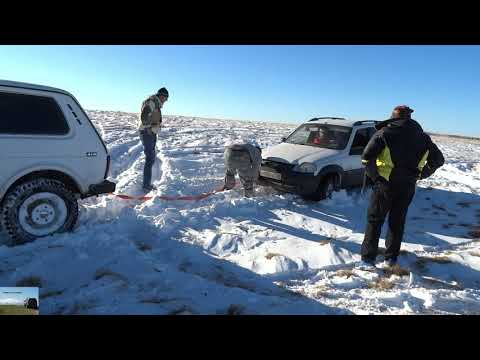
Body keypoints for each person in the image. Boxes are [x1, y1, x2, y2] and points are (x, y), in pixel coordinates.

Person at [359, 105, 445, 269]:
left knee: (375, 221)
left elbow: (366, 158)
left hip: (384, 185)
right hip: (407, 186)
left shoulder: (384, 133)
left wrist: (376, 177)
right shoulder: (423, 137)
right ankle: (391, 258)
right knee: (397, 221)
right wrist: (421, 174)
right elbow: (438, 160)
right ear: (410, 119)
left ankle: (367, 260)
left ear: (393, 118)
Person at [138, 87, 169, 191]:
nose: (165, 101)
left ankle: (146, 184)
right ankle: (146, 185)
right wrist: (153, 125)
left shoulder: (155, 104)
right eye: (165, 98)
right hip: (147, 133)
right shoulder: (151, 102)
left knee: (150, 158)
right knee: (150, 158)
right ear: (161, 96)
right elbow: (144, 118)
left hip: (150, 133)